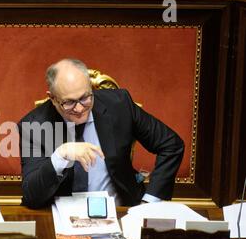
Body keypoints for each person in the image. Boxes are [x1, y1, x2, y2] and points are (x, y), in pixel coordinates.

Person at [18, 58, 184, 209]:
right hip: (62, 217)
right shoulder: (33, 125)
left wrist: (150, 203)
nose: (79, 109)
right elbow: (31, 196)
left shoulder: (119, 104)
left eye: (85, 98)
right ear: (52, 98)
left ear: (91, 89)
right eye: (68, 102)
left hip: (120, 211)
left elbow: (171, 145)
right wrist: (60, 156)